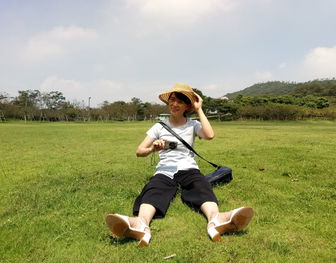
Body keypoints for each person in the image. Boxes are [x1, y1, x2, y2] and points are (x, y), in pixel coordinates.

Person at [106, 83, 253, 247]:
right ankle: (141, 224)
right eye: (172, 100)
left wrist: (199, 109)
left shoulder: (193, 125)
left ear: (187, 106)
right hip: (165, 170)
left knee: (201, 186)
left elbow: (210, 135)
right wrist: (153, 148)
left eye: (180, 102)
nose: (174, 104)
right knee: (154, 188)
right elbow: (139, 151)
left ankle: (215, 219)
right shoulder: (159, 126)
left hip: (188, 168)